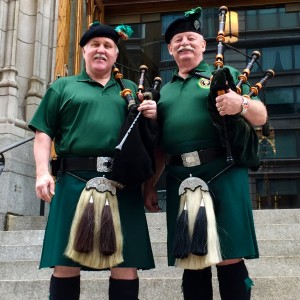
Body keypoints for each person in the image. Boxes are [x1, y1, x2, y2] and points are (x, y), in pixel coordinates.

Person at [143, 7, 267, 300]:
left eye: (190, 38)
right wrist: (150, 185)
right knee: (193, 258)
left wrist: (242, 104)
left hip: (222, 171)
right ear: (170, 49)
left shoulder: (226, 75)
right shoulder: (163, 92)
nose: (184, 43)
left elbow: (261, 116)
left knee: (230, 256)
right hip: (179, 179)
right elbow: (160, 147)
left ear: (203, 45)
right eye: (177, 40)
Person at [29, 21, 157, 300]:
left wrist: (152, 115)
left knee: (125, 264)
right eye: (95, 45)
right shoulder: (63, 87)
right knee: (65, 265)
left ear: (115, 55)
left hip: (121, 183)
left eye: (108, 46)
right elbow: (43, 133)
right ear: (84, 50)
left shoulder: (130, 90)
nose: (101, 50)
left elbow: (147, 139)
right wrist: (42, 172)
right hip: (73, 180)